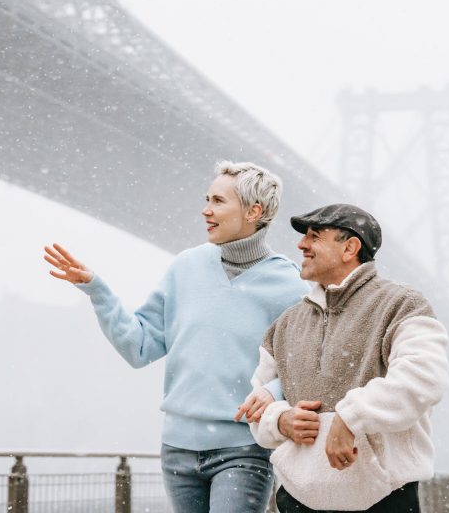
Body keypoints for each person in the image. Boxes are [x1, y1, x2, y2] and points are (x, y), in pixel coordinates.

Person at [43, 161, 307, 513]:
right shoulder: (185, 267)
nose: (206, 209)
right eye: (207, 198)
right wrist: (97, 291)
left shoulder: (287, 284)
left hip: (245, 449)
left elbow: (306, 365)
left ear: (253, 211)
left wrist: (271, 392)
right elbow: (139, 347)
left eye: (218, 201)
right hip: (177, 450)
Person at [237, 203, 449, 513]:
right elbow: (258, 404)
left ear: (350, 247)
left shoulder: (403, 305)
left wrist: (349, 417)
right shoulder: (284, 325)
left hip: (385, 500)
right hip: (296, 502)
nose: (301, 244)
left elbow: (424, 380)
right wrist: (281, 421)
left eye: (314, 236)